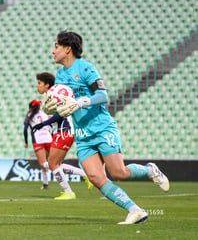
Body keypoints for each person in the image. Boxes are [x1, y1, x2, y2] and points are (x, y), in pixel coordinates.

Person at [42, 31, 169, 224]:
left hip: (101, 128)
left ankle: (150, 170)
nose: (53, 51)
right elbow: (64, 106)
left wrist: (81, 102)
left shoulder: (85, 68)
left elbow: (102, 96)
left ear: (68, 48)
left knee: (119, 172)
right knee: (95, 177)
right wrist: (52, 108)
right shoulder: (60, 75)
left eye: (56, 46)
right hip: (83, 135)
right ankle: (135, 211)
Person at [32, 72, 93, 200]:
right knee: (54, 164)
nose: (37, 86)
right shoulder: (48, 97)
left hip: (63, 131)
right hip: (61, 132)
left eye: (39, 83)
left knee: (52, 164)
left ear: (47, 85)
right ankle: (85, 175)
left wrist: (43, 124)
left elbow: (60, 114)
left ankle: (69, 193)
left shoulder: (55, 95)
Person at [23, 99, 52, 190]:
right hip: (48, 139)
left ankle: (56, 169)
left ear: (31, 108)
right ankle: (45, 184)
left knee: (43, 163)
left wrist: (26, 142)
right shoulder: (44, 114)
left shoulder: (29, 115)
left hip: (38, 140)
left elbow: (25, 129)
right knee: (46, 162)